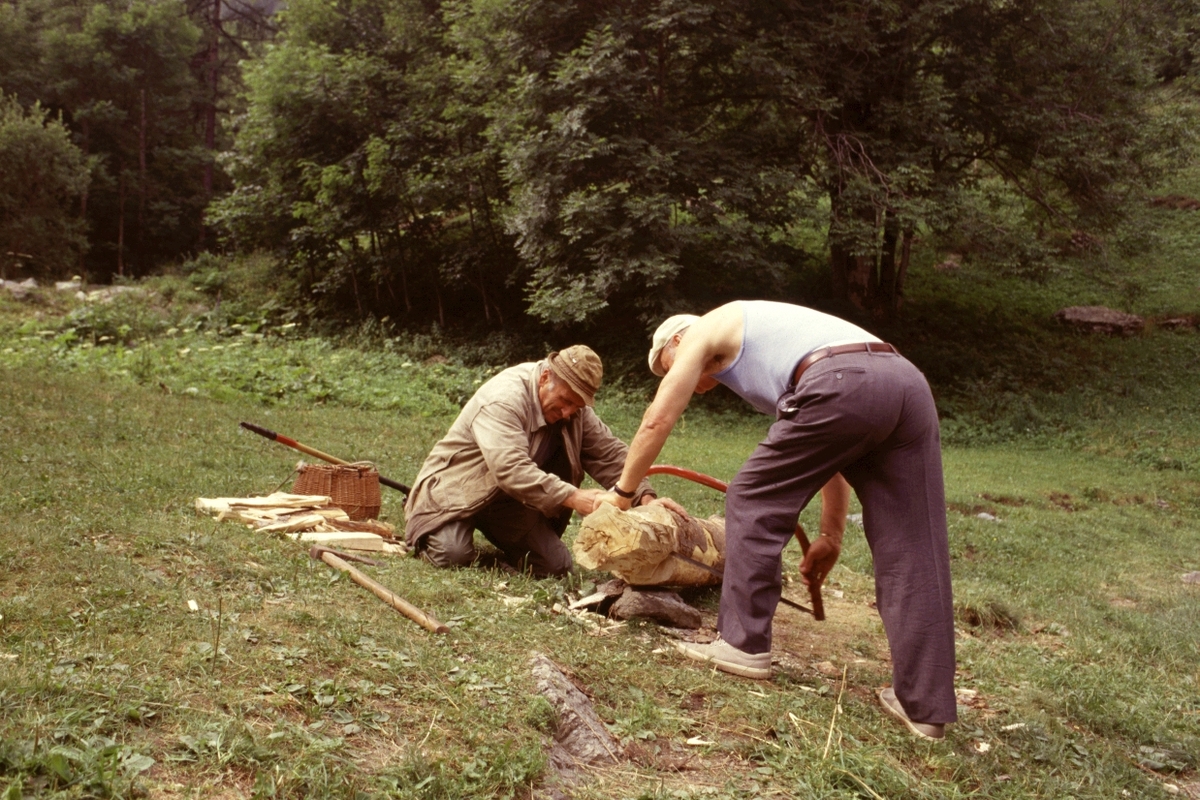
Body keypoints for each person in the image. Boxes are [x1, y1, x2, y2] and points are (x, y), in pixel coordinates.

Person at [592, 300, 956, 740]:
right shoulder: (781, 347)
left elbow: (657, 420)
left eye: (668, 368)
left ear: (677, 342)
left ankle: (742, 644)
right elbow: (832, 451)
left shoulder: (705, 329)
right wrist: (830, 534)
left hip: (844, 379)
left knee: (751, 495)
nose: (688, 385)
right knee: (914, 547)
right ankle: (924, 707)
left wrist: (622, 493)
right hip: (906, 383)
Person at [404, 345, 682, 577]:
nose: (568, 412)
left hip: (508, 501)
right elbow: (511, 469)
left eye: (577, 406)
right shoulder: (504, 399)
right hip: (458, 489)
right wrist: (577, 498)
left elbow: (609, 454)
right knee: (452, 554)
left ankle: (494, 545)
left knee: (555, 566)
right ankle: (433, 521)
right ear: (545, 377)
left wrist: (645, 498)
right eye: (565, 401)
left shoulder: (575, 410)